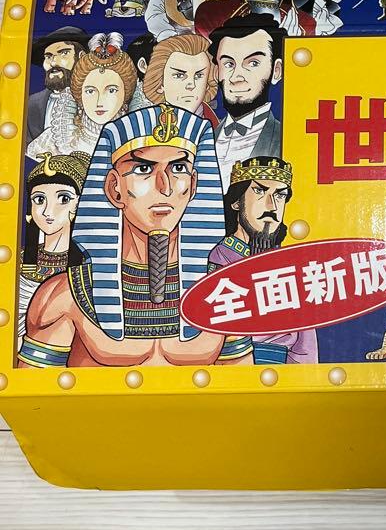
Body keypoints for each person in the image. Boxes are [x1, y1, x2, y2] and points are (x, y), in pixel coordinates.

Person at [18, 104, 252, 368]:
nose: (164, 187)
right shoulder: (63, 297)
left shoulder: (226, 292)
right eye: (143, 169)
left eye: (178, 168)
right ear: (114, 188)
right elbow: (36, 392)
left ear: (194, 184)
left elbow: (244, 388)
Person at [207, 155, 318, 365]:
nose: (271, 206)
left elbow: (306, 346)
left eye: (280, 195)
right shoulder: (218, 259)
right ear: (236, 202)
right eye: (259, 191)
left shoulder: (291, 265)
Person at [28, 33, 138, 160]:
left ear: (126, 94)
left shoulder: (141, 134)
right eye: (90, 91)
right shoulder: (54, 139)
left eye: (111, 90)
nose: (99, 102)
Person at [18, 152, 90, 337]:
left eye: (63, 199)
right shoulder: (16, 261)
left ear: (80, 203)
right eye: (39, 199)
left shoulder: (91, 265)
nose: (48, 211)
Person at [208, 14, 285, 184]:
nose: (237, 77)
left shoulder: (285, 139)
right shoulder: (203, 140)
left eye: (253, 63)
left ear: (276, 70)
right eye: (229, 64)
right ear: (216, 72)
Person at [26, 28, 90, 144]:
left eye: (64, 53)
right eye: (48, 56)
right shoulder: (31, 104)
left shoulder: (100, 99)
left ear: (82, 57)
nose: (53, 62)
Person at [142, 33, 220, 127]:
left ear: (207, 83)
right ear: (160, 83)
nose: (191, 85)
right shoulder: (141, 124)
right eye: (179, 75)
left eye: (198, 76)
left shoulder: (219, 128)